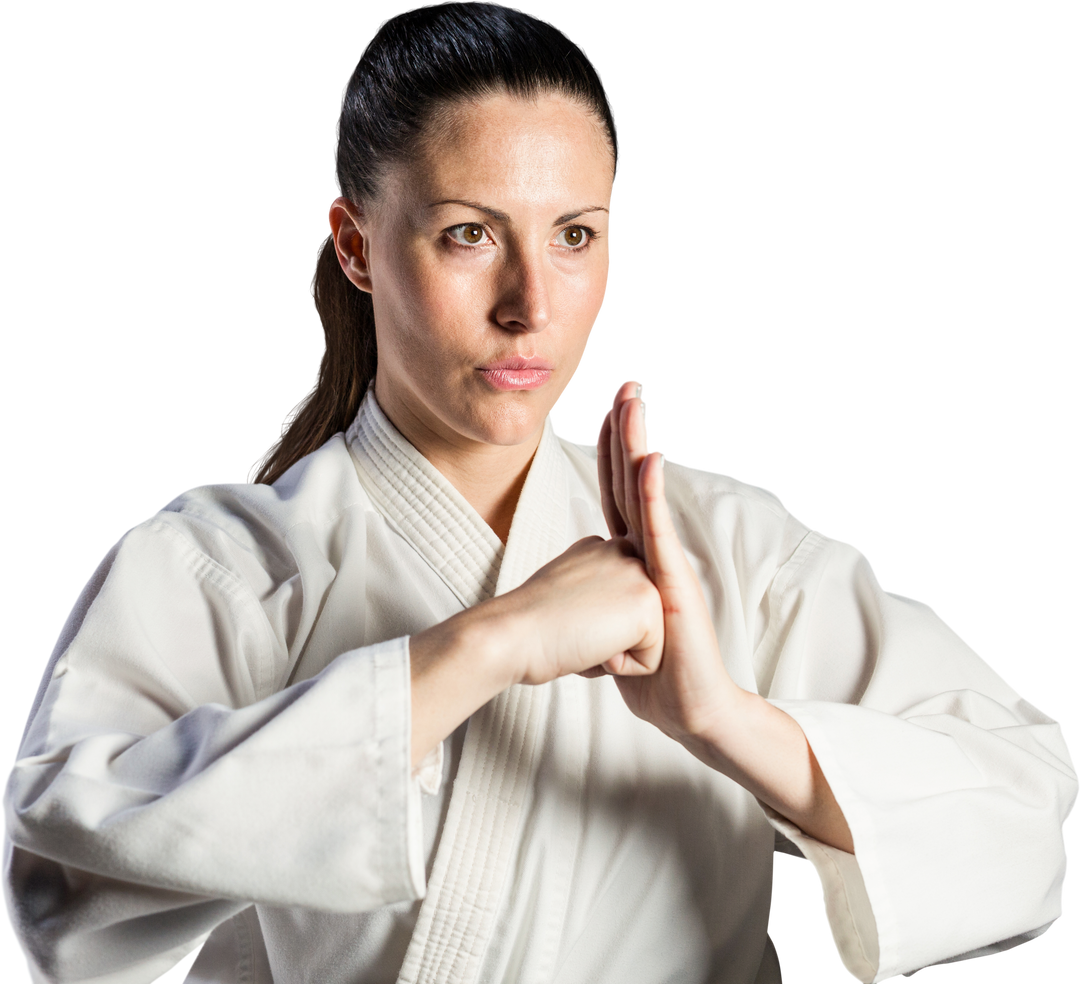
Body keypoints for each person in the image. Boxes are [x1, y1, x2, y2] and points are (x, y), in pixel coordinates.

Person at [2, 3, 1075, 982]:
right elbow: (60, 891)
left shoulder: (728, 551)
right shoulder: (226, 564)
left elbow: (1022, 811)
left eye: (575, 235)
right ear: (356, 244)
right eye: (470, 233)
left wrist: (725, 721)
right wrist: (488, 645)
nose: (530, 306)